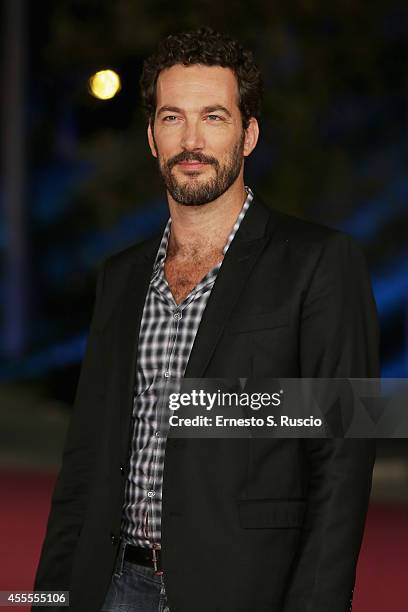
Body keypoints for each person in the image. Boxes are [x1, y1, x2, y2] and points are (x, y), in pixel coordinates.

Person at [33, 27, 380, 612]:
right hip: (111, 586)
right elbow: (85, 461)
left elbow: (343, 460)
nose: (191, 140)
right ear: (151, 137)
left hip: (244, 590)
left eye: (213, 117)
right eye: (173, 118)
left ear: (248, 135)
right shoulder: (121, 277)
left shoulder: (319, 262)